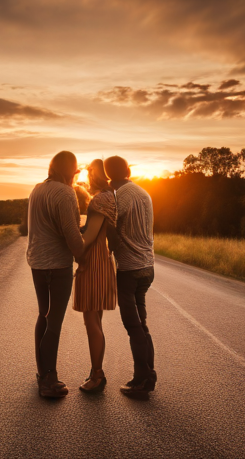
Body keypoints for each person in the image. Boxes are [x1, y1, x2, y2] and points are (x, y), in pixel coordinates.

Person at [27, 151, 84, 398]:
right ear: (69, 171)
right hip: (58, 265)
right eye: (76, 171)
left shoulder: (37, 189)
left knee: (44, 314)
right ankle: (49, 379)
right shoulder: (65, 192)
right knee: (55, 322)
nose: (75, 176)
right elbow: (71, 234)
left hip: (37, 263)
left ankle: (42, 373)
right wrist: (85, 258)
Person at [104, 156, 157, 396]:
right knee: (142, 325)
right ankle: (148, 375)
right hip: (148, 268)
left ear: (108, 175)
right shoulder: (144, 193)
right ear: (127, 170)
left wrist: (103, 224)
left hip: (128, 270)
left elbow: (113, 242)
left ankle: (141, 379)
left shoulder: (117, 198)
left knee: (133, 326)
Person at [73, 159, 117, 393]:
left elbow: (88, 238)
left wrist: (70, 243)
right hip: (103, 259)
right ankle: (96, 371)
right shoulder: (109, 196)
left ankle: (98, 375)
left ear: (94, 175)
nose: (86, 177)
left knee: (92, 321)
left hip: (95, 261)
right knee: (96, 321)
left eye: (89, 172)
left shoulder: (100, 199)